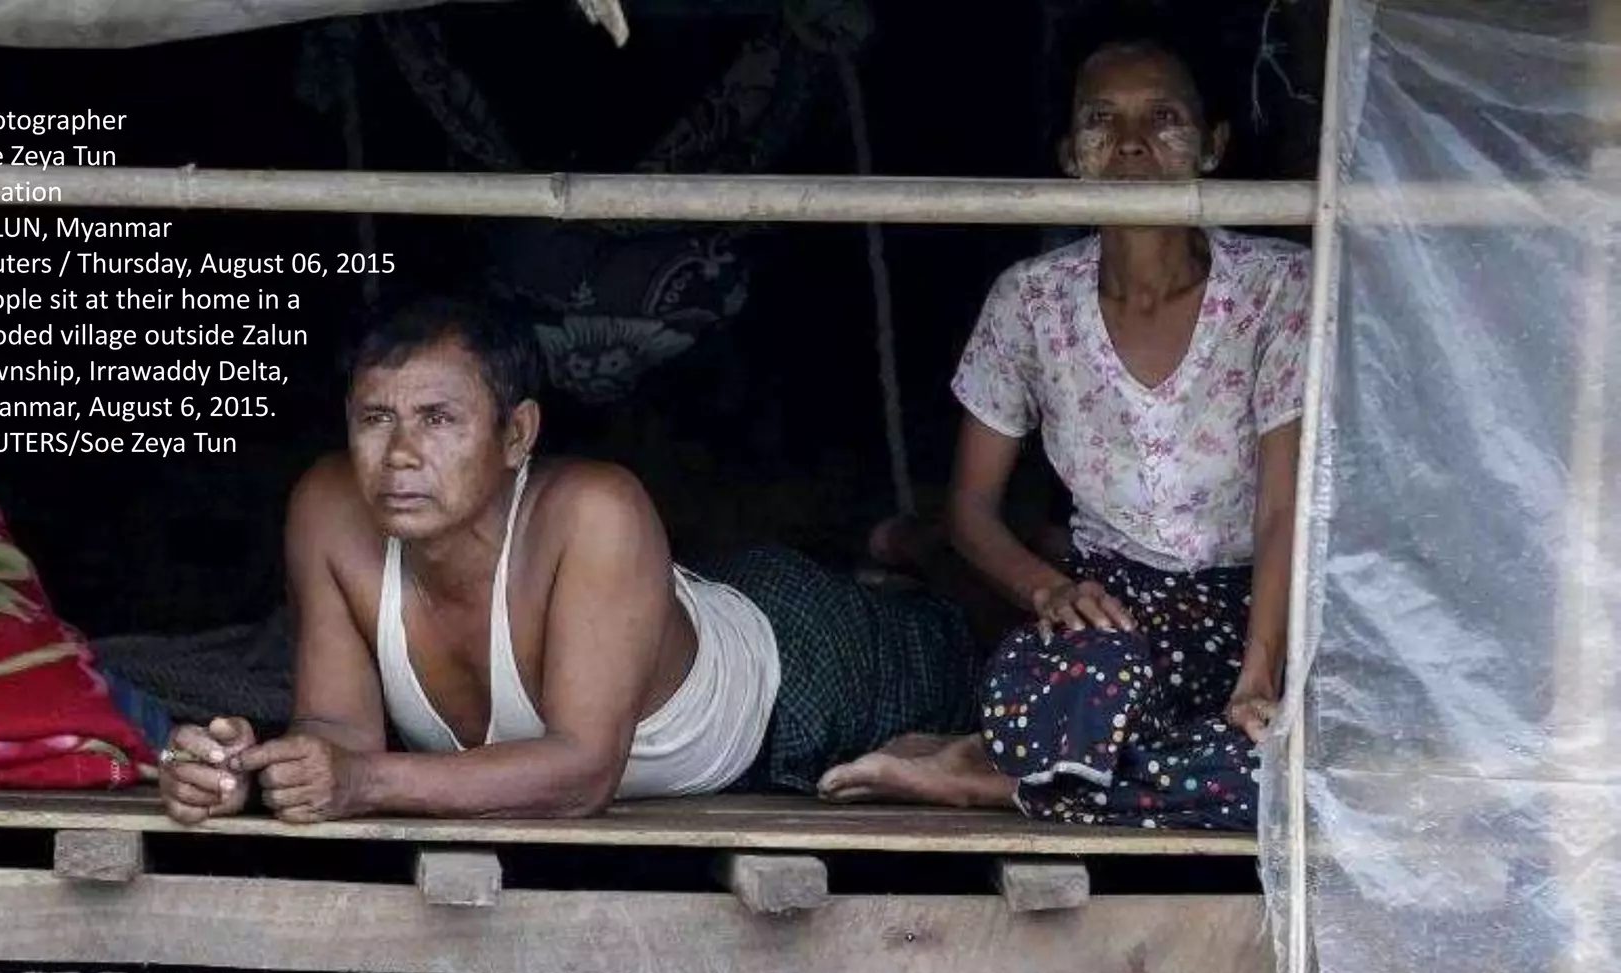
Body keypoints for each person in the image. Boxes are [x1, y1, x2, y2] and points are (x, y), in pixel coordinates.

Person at [155, 296, 977, 824]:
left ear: (518, 434)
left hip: (800, 667)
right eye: (375, 419)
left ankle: (919, 546)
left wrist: (362, 783)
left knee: (967, 647)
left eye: (439, 419)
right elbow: (338, 731)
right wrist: (254, 771)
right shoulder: (329, 510)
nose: (399, 453)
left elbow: (583, 774)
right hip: (673, 618)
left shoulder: (596, 507)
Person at [818, 27, 1309, 831]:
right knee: (1061, 686)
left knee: (1280, 773)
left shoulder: (1277, 288)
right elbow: (970, 509)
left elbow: (1283, 509)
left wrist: (1259, 679)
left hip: (1254, 609)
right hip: (1109, 611)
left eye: (1163, 119)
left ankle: (987, 778)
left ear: (1213, 146)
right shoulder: (1032, 301)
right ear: (1068, 155)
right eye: (1100, 122)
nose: (1130, 145)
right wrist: (1051, 590)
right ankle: (1064, 766)